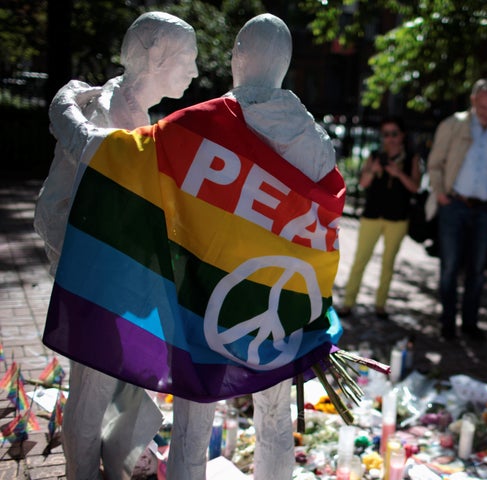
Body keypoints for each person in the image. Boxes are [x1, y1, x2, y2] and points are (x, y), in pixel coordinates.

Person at [46, 13, 341, 480]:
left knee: (193, 423)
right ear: (284, 63)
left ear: (238, 55)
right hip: (280, 308)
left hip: (208, 306)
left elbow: (106, 151)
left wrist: (63, 102)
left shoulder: (201, 127)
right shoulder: (318, 142)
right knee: (274, 417)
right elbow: (328, 222)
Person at [34, 12, 209, 480]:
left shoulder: (131, 112)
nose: (194, 72)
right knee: (92, 388)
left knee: (102, 384)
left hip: (111, 271)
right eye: (187, 59)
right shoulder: (108, 115)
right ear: (155, 57)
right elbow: (57, 204)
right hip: (95, 271)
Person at [427, 78, 487, 340]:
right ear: (473, 101)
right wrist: (440, 192)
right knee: (450, 267)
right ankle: (447, 323)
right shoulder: (453, 125)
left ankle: (469, 323)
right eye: (482, 108)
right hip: (454, 204)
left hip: (484, 210)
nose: (486, 114)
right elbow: (435, 162)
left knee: (478, 271)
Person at [337, 116, 421, 319]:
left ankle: (380, 306)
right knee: (360, 260)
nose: (390, 138)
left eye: (394, 133)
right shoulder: (375, 156)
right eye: (386, 134)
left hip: (398, 218)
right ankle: (348, 303)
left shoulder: (412, 158)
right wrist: (374, 170)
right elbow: (363, 183)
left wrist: (398, 173)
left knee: (388, 264)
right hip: (372, 215)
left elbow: (415, 187)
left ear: (402, 135)